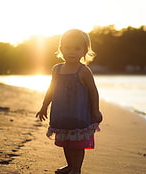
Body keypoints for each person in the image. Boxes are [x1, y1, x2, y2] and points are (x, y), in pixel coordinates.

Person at [36, 29, 102, 174]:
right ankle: (70, 165)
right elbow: (51, 90)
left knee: (77, 144)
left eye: (77, 48)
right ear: (61, 49)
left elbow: (93, 91)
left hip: (79, 115)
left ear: (84, 51)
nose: (72, 51)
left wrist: (95, 110)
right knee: (66, 141)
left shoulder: (83, 71)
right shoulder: (57, 69)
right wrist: (44, 106)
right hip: (62, 114)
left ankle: (76, 169)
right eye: (68, 47)